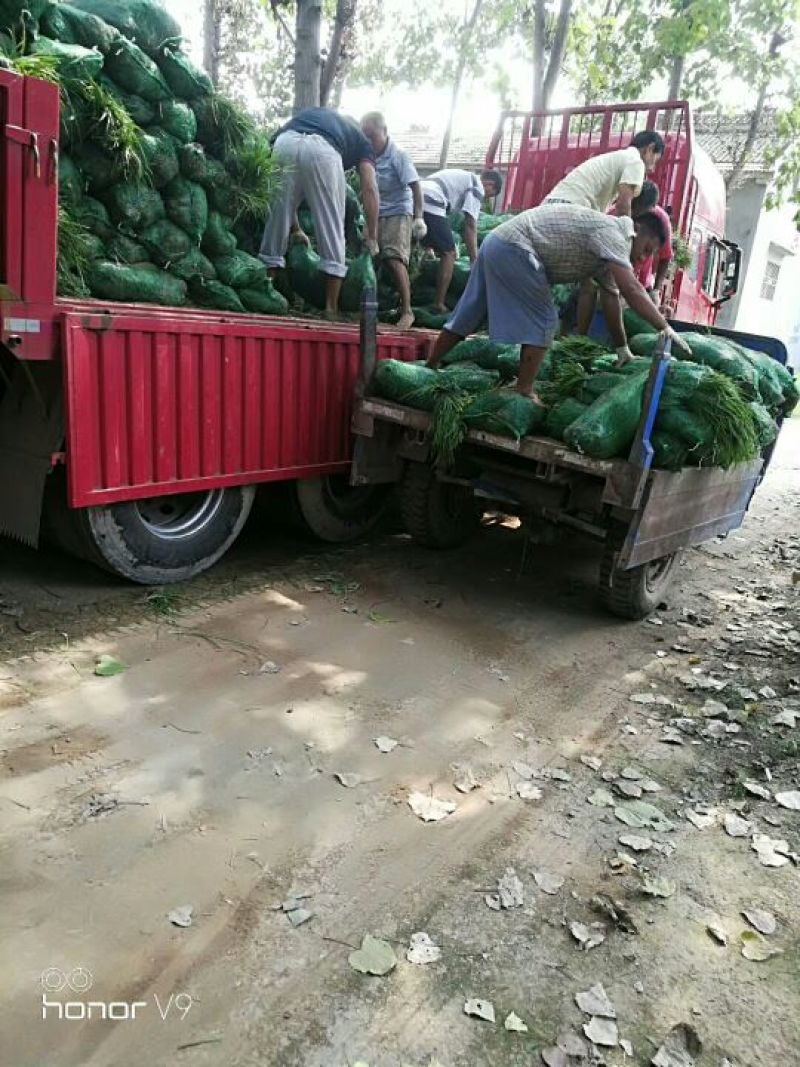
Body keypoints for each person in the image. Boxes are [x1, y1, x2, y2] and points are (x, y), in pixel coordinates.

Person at [426, 201, 691, 400]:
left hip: (497, 241)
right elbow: (632, 290)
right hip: (516, 246)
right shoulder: (615, 233)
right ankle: (524, 390)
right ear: (639, 231)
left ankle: (431, 365)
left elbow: (612, 298)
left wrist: (622, 348)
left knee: (470, 311)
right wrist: (663, 327)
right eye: (647, 250)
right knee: (545, 319)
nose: (644, 258)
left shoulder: (609, 254)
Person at [259, 106, 380, 316]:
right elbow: (369, 188)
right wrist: (372, 234)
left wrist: (295, 228)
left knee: (276, 220)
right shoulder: (361, 141)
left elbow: (289, 199)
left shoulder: (316, 115)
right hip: (323, 151)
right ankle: (330, 308)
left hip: (284, 143)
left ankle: (264, 292)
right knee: (332, 226)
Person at [360, 111, 426, 331]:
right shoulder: (368, 155)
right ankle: (372, 308)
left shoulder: (398, 155)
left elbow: (416, 186)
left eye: (372, 135)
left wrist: (418, 217)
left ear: (384, 131)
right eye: (365, 136)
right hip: (376, 212)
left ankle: (407, 311)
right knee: (370, 257)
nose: (369, 140)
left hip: (398, 211)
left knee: (393, 257)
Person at [420, 167, 503, 313]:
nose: (485, 199)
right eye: (490, 195)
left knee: (430, 244)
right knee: (449, 253)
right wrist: (474, 261)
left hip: (418, 196)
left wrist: (429, 245)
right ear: (489, 184)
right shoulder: (477, 186)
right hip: (432, 199)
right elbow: (470, 225)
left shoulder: (465, 177)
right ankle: (439, 303)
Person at [545, 129, 665, 217]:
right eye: (655, 160)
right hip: (570, 208)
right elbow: (623, 206)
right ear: (649, 149)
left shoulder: (620, 157)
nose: (652, 168)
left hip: (550, 206)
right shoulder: (636, 161)